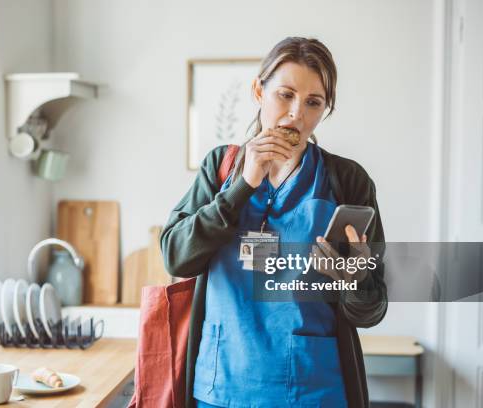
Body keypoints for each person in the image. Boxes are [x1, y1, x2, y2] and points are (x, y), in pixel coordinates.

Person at [161, 37, 387, 408]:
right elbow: (176, 257)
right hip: (221, 390)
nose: (297, 114)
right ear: (258, 91)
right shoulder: (221, 169)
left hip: (314, 392)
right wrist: (242, 187)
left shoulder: (347, 181)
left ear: (324, 109)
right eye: (285, 95)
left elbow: (373, 309)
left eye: (313, 102)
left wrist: (356, 275)